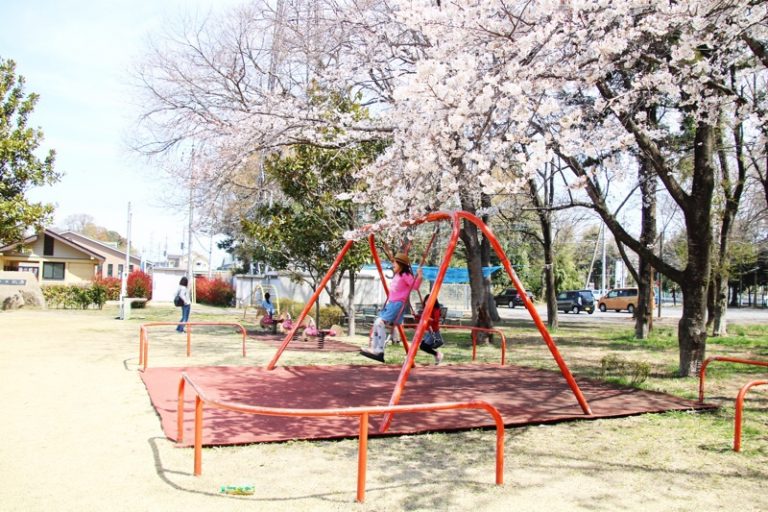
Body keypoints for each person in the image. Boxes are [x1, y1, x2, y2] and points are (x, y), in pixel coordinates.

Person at [360, 252, 422, 363]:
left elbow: (415, 286)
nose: (392, 264)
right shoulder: (397, 275)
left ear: (401, 265)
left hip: (398, 304)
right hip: (391, 304)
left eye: (395, 262)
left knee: (379, 322)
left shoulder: (405, 275)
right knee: (376, 323)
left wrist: (420, 275)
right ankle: (375, 349)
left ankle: (379, 350)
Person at [416, 294, 444, 365]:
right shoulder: (427, 309)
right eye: (426, 300)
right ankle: (437, 354)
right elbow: (423, 318)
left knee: (425, 346)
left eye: (429, 300)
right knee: (422, 346)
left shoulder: (436, 309)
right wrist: (416, 316)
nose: (427, 302)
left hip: (434, 331)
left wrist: (427, 318)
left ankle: (437, 354)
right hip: (429, 331)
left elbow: (436, 320)